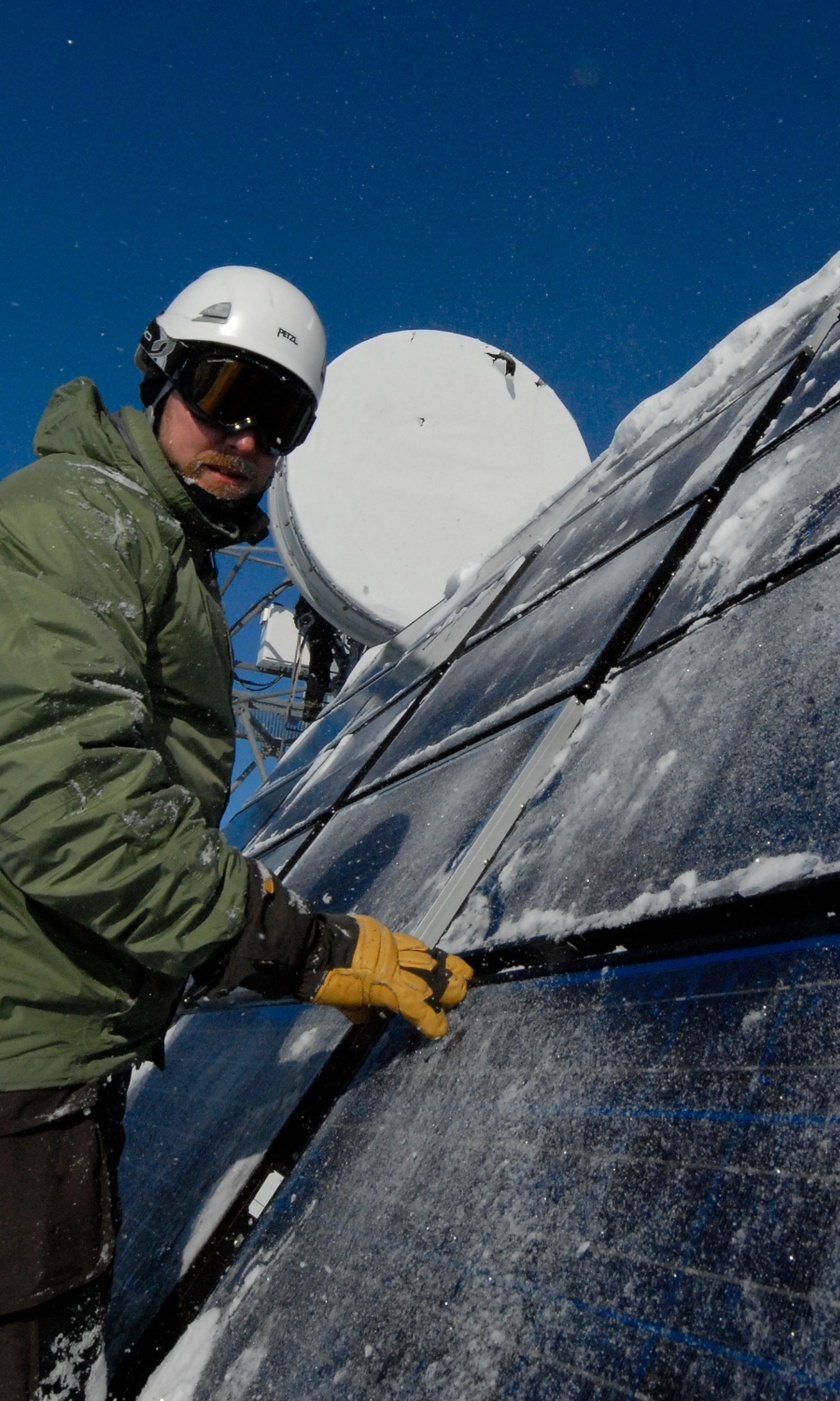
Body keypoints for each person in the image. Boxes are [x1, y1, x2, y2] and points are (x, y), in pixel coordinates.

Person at [0, 267, 472, 1400]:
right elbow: (73, 806)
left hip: (55, 1040)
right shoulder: (79, 523)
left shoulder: (154, 552)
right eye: (221, 393)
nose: (246, 438)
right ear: (158, 374)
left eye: (281, 420)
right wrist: (307, 948)